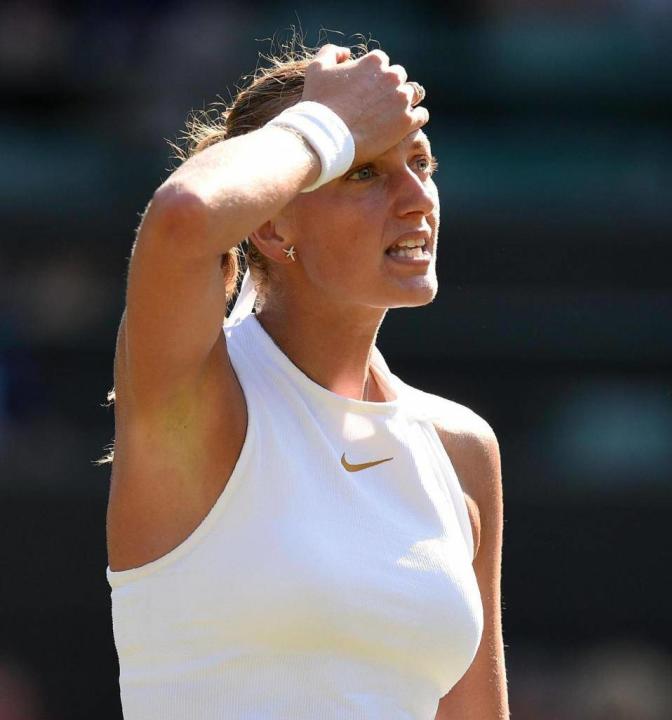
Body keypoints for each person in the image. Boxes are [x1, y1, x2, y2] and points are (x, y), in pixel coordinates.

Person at [98, 38, 508, 719]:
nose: (417, 198)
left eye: (421, 163)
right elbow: (184, 217)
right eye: (364, 173)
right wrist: (327, 126)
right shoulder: (201, 401)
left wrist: (349, 139)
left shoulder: (462, 448)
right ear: (269, 225)